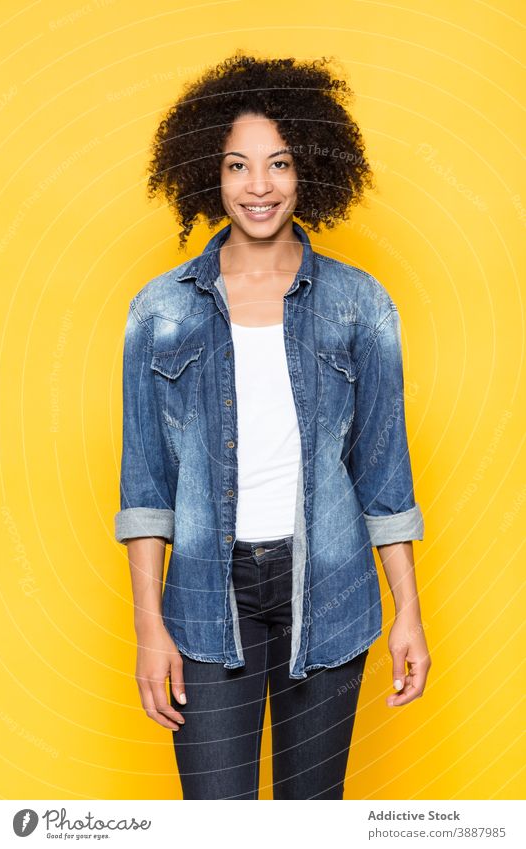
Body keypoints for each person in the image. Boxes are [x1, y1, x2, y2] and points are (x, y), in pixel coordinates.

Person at [114, 52, 431, 800]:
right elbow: (145, 484)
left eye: (279, 163)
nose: (257, 186)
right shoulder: (161, 309)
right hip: (201, 599)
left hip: (328, 590)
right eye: (236, 165)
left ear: (310, 169)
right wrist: (148, 626)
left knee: (310, 819)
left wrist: (407, 614)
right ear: (207, 173)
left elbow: (383, 476)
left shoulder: (359, 304)